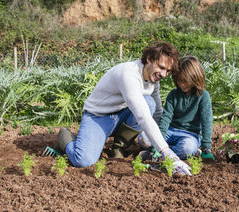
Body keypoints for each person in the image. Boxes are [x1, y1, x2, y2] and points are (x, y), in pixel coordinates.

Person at [56, 41, 191, 175]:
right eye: (161, 67)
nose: (163, 74)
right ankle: (66, 137)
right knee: (83, 160)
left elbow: (157, 113)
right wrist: (166, 151)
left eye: (168, 71)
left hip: (122, 115)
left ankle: (118, 148)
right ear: (149, 59)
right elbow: (142, 116)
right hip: (98, 117)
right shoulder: (129, 74)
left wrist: (160, 142)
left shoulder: (153, 80)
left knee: (150, 103)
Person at [139, 56, 214, 160]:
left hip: (189, 135)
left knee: (187, 148)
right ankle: (169, 151)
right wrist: (159, 140)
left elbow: (207, 121)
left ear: (195, 78)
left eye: (185, 81)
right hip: (170, 131)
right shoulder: (173, 94)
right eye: (179, 80)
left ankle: (158, 153)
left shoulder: (203, 96)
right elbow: (166, 118)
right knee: (143, 137)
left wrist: (207, 148)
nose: (182, 84)